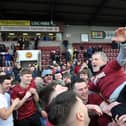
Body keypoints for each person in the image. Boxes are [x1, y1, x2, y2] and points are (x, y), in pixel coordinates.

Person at [88, 27, 126, 118]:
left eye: (96, 59)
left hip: (124, 89)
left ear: (105, 61)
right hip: (116, 102)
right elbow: (88, 93)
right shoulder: (93, 80)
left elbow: (123, 56)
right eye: (92, 59)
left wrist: (124, 43)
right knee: (119, 117)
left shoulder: (111, 65)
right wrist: (102, 104)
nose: (93, 62)